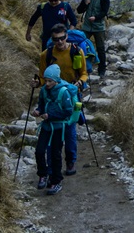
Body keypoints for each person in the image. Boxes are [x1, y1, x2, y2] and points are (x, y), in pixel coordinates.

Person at [36, 23, 88, 175]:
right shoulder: (46, 54)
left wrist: (80, 82)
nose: (59, 42)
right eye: (55, 39)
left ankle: (70, 161)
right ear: (51, 39)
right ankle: (53, 164)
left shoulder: (76, 51)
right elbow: (42, 77)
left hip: (73, 94)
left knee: (70, 129)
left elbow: (84, 73)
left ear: (67, 36)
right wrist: (37, 83)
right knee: (53, 129)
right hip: (53, 97)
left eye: (62, 38)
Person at [33, 63, 76, 195]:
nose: (47, 83)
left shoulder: (64, 92)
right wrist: (38, 110)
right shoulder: (44, 91)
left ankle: (56, 181)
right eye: (45, 80)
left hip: (58, 127)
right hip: (46, 126)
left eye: (50, 81)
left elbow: (68, 111)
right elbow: (41, 104)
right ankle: (43, 174)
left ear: (56, 80)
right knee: (39, 151)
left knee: (55, 155)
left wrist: (50, 115)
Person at [77, 0, 110, 80]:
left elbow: (104, 12)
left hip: (99, 27)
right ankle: (81, 69)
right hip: (87, 26)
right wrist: (85, 4)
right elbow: (79, 10)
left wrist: (96, 17)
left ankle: (102, 70)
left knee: (100, 48)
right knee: (80, 46)